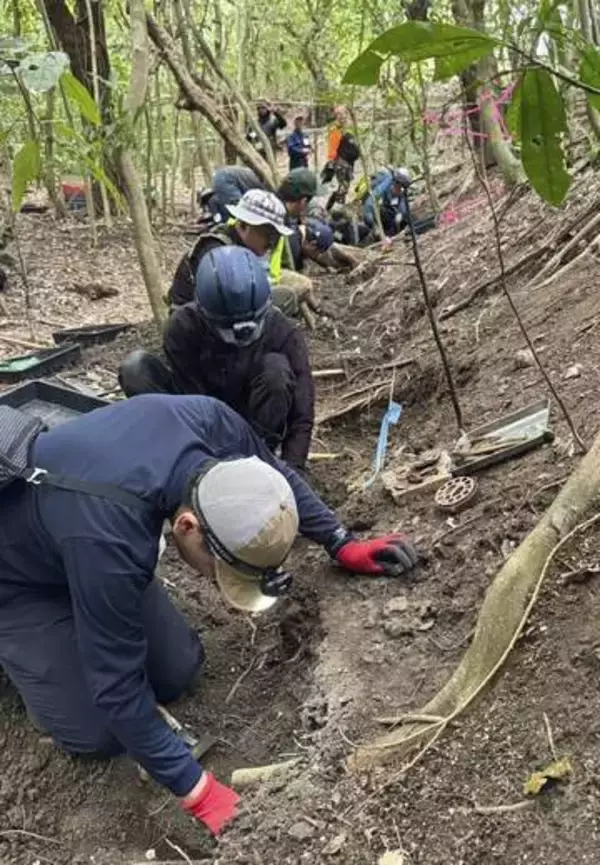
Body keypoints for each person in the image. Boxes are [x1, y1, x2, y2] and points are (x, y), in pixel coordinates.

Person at [0, 393, 418, 834]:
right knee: (98, 732)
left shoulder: (209, 420)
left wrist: (340, 541)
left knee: (177, 671)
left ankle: (84, 619)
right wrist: (197, 791)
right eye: (218, 570)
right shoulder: (111, 544)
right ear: (187, 526)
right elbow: (116, 686)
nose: (215, 581)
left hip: (73, 542)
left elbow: (273, 479)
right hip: (19, 585)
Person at [122, 246, 315, 470]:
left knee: (276, 371)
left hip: (251, 424)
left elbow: (302, 413)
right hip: (194, 414)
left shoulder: (283, 332)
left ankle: (258, 461)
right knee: (135, 369)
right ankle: (175, 458)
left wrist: (292, 471)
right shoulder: (182, 327)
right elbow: (189, 398)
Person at [363, 167, 412, 238]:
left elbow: (403, 206)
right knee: (383, 212)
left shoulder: (402, 192)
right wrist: (372, 222)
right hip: (379, 216)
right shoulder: (385, 185)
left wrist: (401, 214)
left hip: (392, 215)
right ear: (396, 182)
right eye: (399, 185)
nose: (400, 188)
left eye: (402, 186)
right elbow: (371, 201)